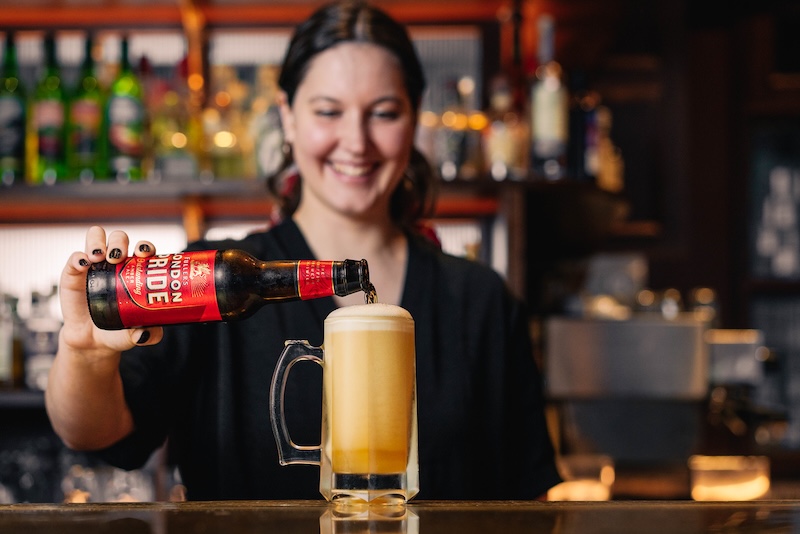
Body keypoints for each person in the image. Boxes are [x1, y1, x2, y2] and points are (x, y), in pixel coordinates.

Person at [47, 0, 561, 500]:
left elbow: (531, 490)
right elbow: (96, 433)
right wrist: (85, 355)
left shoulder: (480, 300)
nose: (356, 142)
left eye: (383, 112)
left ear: (413, 120)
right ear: (288, 118)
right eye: (328, 111)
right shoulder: (211, 281)